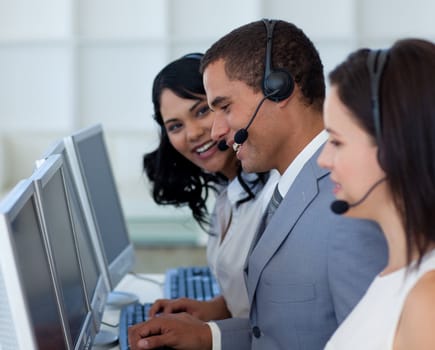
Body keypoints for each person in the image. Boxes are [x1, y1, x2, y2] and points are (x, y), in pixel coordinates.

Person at [129, 19, 388, 350]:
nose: (215, 130)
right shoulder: (291, 187)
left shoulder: (348, 200)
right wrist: (209, 334)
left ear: (278, 89)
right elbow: (283, 329)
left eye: (223, 107)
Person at [317, 39, 435, 349]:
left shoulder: (428, 302)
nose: (323, 159)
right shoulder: (395, 274)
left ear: (395, 147)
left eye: (337, 141)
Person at [143, 53, 279, 321]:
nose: (192, 133)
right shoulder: (227, 191)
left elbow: (278, 318)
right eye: (175, 126)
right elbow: (250, 299)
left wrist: (210, 336)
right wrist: (211, 309)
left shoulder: (274, 192)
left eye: (202, 111)